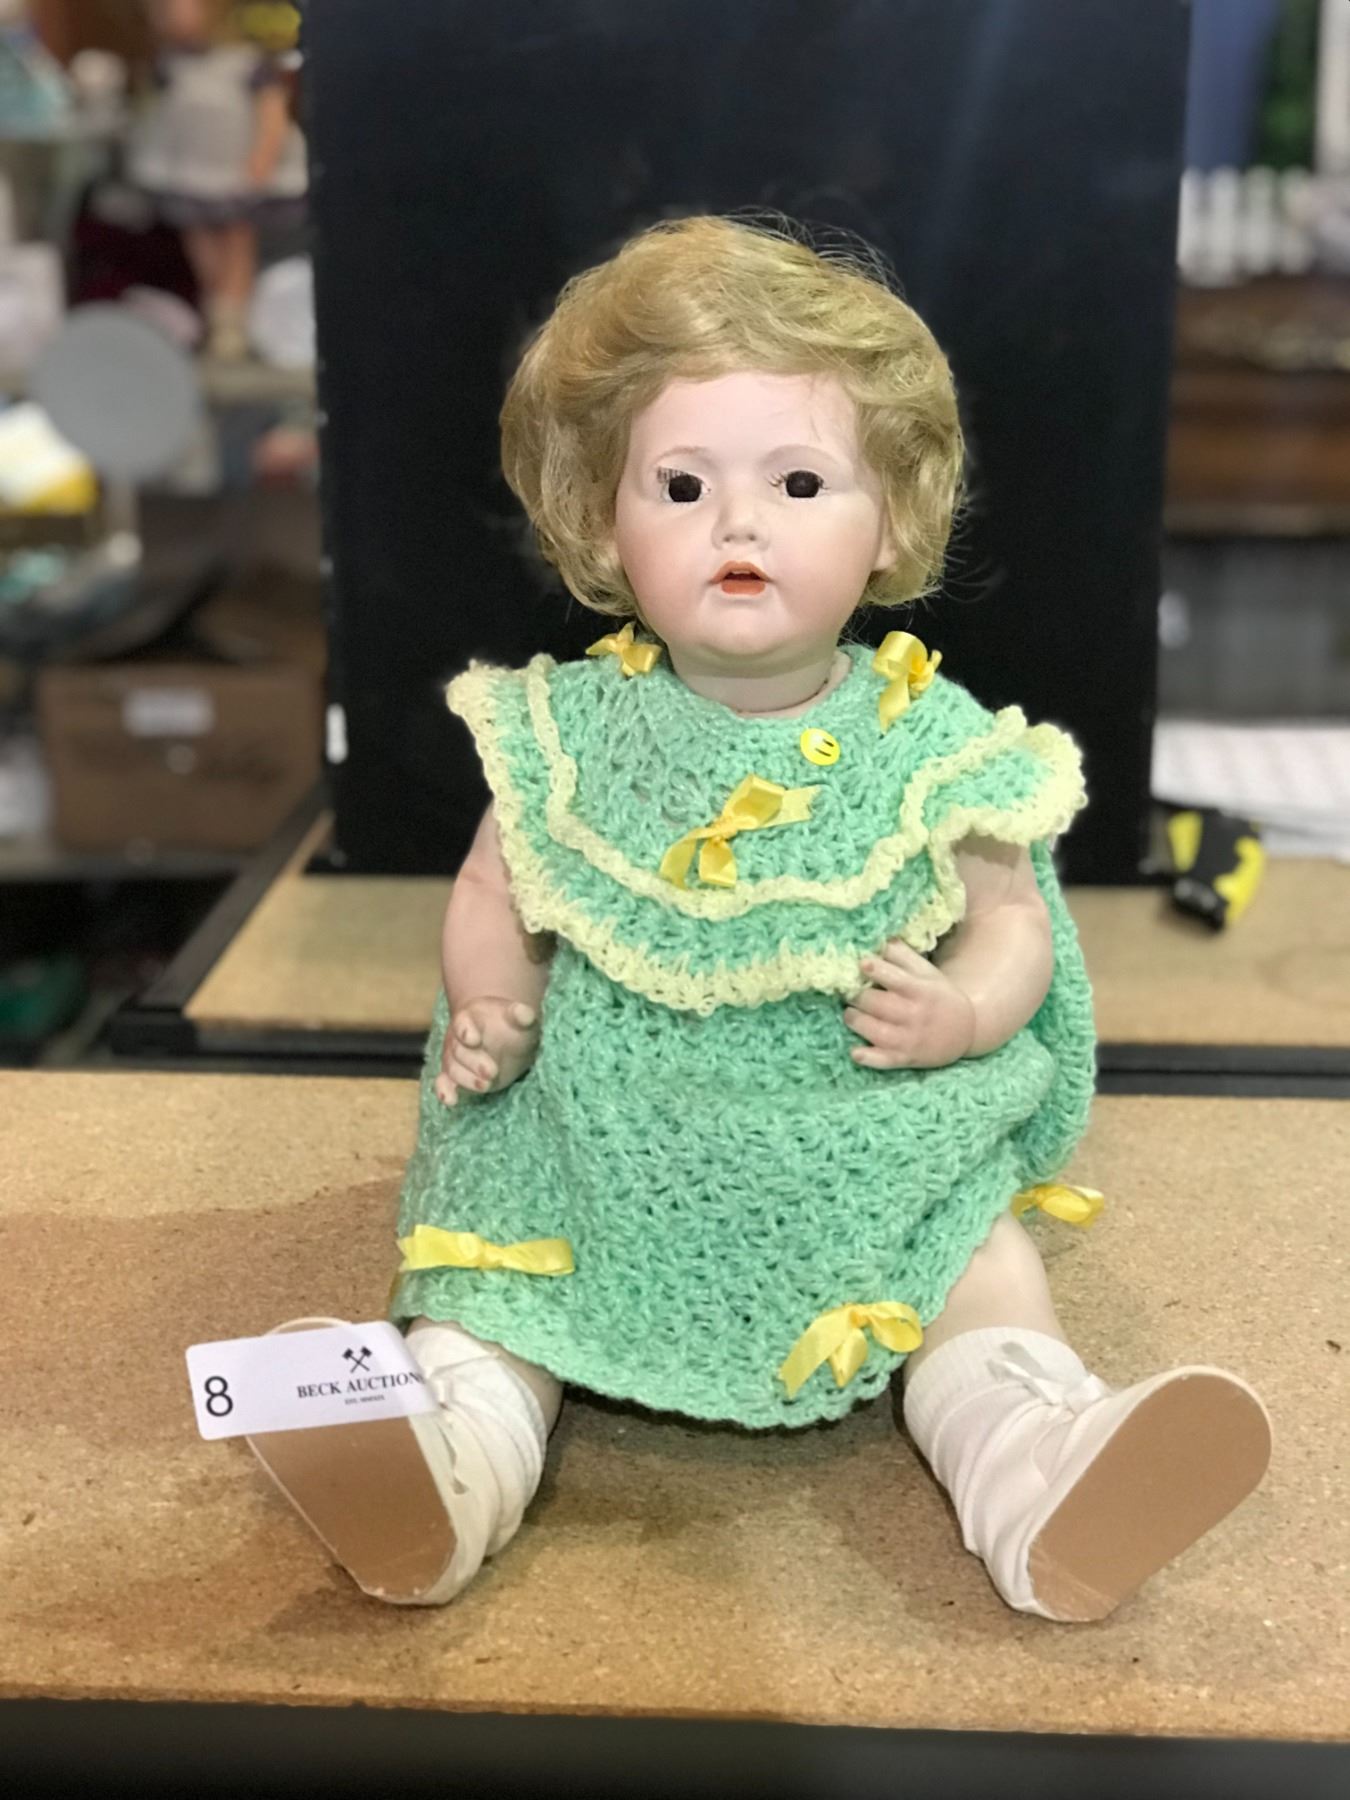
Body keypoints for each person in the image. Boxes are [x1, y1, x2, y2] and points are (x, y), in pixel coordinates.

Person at [250, 215, 1271, 1622]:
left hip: (859, 1123)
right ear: (600, 518)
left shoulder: (933, 743)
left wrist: (965, 1010)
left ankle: (1032, 1458)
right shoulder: (571, 736)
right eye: (680, 485)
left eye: (797, 481)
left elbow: (1011, 923)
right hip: (603, 1125)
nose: (738, 524)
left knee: (973, 1263)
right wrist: (495, 998)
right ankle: (447, 1452)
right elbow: (493, 886)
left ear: (889, 519)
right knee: (498, 1266)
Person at [129, 0, 305, 359]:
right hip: (191, 170)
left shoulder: (246, 63)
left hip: (233, 170)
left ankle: (233, 318)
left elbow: (271, 111)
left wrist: (263, 157)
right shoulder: (170, 64)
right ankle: (216, 311)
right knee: (202, 244)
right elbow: (158, 113)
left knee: (236, 241)